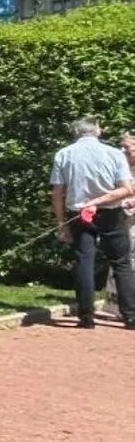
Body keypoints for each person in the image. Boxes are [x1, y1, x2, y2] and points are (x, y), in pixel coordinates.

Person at [50, 117, 135, 328]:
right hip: (111, 213)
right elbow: (126, 189)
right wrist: (98, 201)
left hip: (78, 213)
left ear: (77, 132)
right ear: (96, 130)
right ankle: (131, 316)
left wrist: (61, 223)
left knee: (84, 261)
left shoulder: (63, 154)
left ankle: (86, 317)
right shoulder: (115, 154)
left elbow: (57, 193)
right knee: (121, 262)